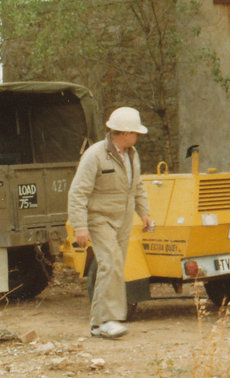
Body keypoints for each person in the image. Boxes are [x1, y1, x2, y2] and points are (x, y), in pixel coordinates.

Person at [68, 106, 152, 339]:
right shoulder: (94, 155)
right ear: (125, 133)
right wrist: (80, 226)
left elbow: (138, 186)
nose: (137, 137)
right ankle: (105, 321)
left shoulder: (132, 155)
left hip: (123, 219)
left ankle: (102, 322)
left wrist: (144, 212)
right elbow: (78, 193)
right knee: (111, 263)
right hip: (99, 218)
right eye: (135, 133)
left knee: (115, 266)